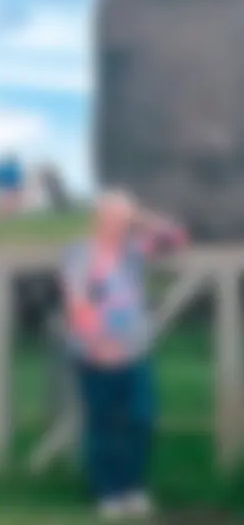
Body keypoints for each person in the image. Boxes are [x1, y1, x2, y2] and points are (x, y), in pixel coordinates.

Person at [60, 188, 187, 521]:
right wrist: (98, 344)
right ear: (99, 218)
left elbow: (176, 238)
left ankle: (133, 488)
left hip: (134, 351)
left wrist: (141, 215)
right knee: (103, 424)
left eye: (124, 219)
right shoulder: (79, 253)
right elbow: (76, 301)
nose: (119, 224)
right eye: (113, 217)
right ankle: (108, 492)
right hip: (95, 353)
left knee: (141, 420)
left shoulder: (133, 250)